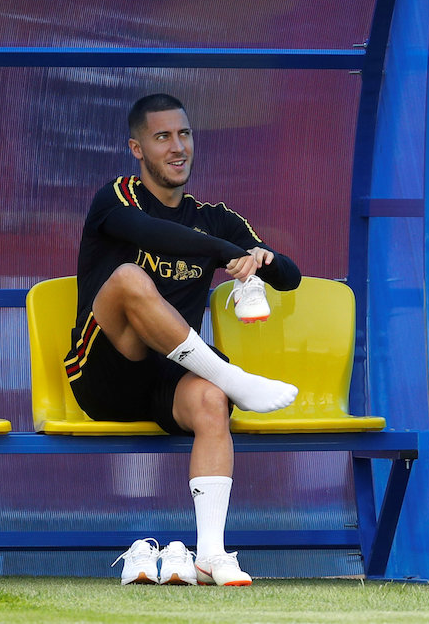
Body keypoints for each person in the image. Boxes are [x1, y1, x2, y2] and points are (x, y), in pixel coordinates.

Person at [66, 93, 301, 586]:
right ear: (137, 148)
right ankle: (234, 377)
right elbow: (155, 234)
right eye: (162, 137)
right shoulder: (117, 198)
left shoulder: (214, 218)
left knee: (212, 399)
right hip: (105, 371)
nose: (178, 147)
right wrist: (227, 251)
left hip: (168, 377)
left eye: (184, 134)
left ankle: (211, 553)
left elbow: (290, 278)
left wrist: (258, 258)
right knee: (130, 278)